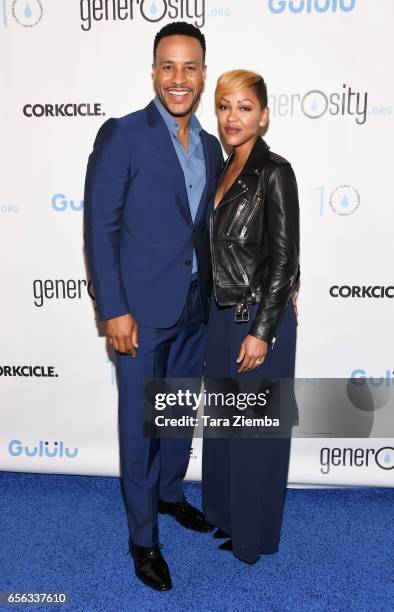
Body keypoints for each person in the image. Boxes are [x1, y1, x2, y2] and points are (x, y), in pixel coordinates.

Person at [83, 22, 223, 591]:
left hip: (195, 307)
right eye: (169, 66)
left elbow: (208, 229)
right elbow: (99, 227)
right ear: (154, 71)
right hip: (138, 314)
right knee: (140, 429)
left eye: (190, 67)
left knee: (176, 415)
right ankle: (143, 539)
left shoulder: (212, 146)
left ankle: (169, 498)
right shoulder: (123, 135)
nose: (179, 79)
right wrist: (113, 309)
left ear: (203, 73)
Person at [202, 69, 300, 564]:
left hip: (258, 318)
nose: (232, 117)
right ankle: (227, 520)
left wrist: (264, 330)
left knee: (257, 432)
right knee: (224, 429)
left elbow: (286, 259)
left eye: (244, 107)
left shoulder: (274, 172)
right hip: (221, 318)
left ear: (263, 116)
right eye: (224, 107)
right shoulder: (220, 170)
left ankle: (254, 538)